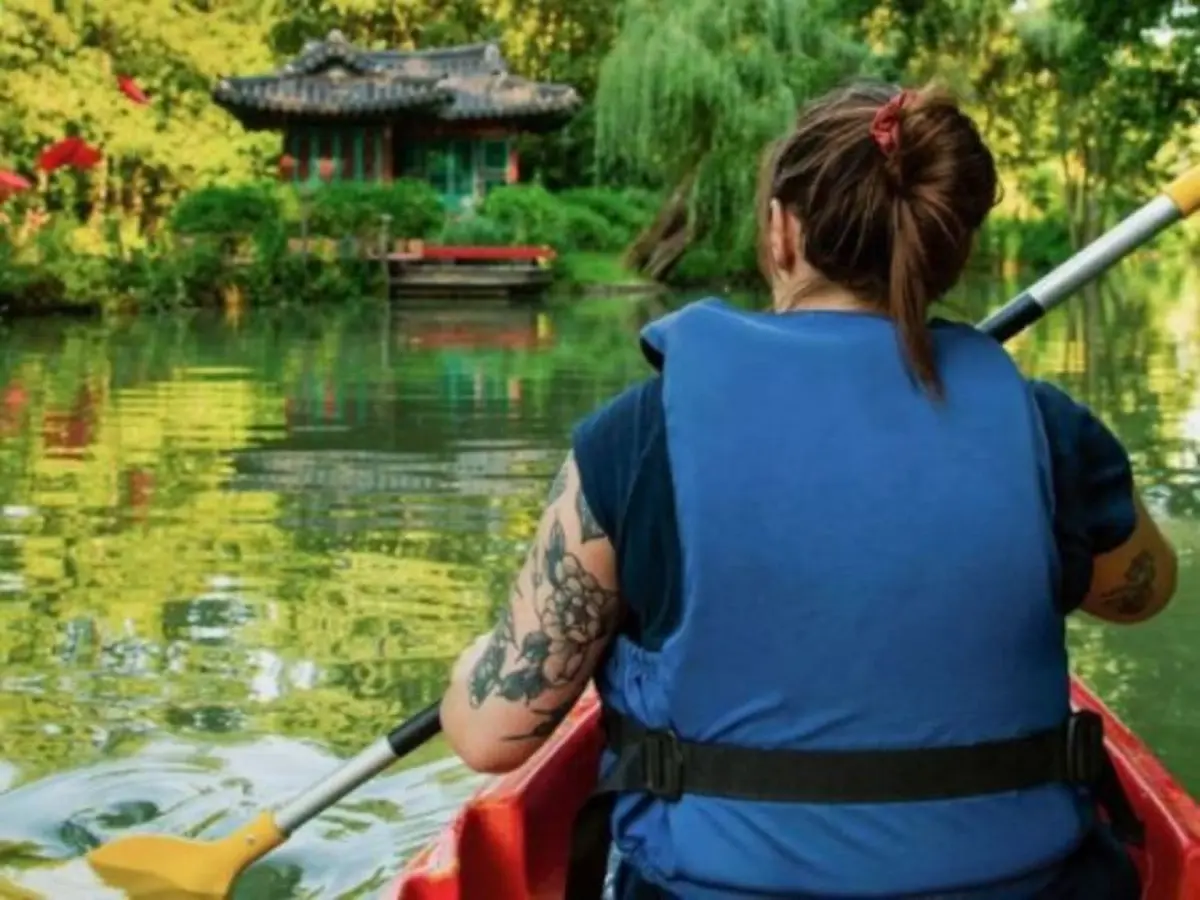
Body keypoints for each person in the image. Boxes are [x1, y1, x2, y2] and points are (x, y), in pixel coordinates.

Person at [439, 81, 1179, 899]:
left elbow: (492, 734)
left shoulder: (638, 439)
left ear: (781, 230)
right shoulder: (1048, 434)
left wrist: (480, 659)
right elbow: (1140, 594)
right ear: (951, 248)